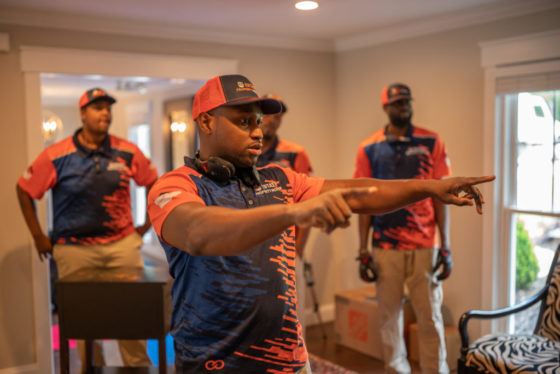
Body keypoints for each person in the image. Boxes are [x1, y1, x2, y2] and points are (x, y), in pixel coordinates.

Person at [146, 74, 493, 374]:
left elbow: (359, 193)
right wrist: (293, 214)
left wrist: (431, 186)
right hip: (216, 363)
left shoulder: (280, 179)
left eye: (258, 122)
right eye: (243, 122)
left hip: (290, 359)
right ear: (206, 123)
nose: (258, 133)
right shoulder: (177, 185)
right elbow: (196, 232)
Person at [16, 87, 157, 372]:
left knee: (130, 312)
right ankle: (92, 368)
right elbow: (24, 189)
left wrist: (145, 227)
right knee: (83, 320)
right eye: (97, 107)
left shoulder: (127, 151)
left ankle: (138, 368)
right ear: (83, 113)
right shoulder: (57, 155)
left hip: (122, 246)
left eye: (108, 107)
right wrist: (37, 236)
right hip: (74, 250)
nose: (105, 112)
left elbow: (154, 181)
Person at [353, 83, 452, 374]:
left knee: (430, 318)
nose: (403, 107)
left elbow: (441, 196)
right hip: (385, 247)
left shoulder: (432, 141)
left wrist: (445, 246)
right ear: (385, 107)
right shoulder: (369, 148)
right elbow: (363, 201)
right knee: (389, 319)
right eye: (396, 103)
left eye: (406, 102)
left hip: (425, 245)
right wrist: (362, 249)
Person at [256, 93, 313, 338]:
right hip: (252, 245)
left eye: (278, 116)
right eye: (267, 114)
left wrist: (299, 247)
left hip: (288, 246)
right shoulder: (244, 150)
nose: (272, 120)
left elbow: (309, 200)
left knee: (293, 313)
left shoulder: (294, 153)